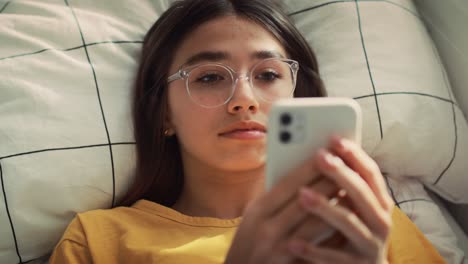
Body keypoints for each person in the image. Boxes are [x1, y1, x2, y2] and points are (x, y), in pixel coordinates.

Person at [49, 0, 445, 263]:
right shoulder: (99, 242)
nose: (244, 99)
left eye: (268, 74)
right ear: (164, 112)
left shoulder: (369, 221)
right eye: (207, 78)